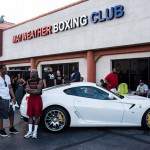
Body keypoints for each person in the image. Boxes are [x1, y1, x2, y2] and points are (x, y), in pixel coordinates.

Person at [0, 64, 19, 137]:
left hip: (9, 98)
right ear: (0, 69)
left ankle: (11, 128)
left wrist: (13, 97)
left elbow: (10, 88)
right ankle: (1, 130)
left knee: (11, 113)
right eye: (4, 69)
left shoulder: (7, 77)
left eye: (6, 69)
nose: (6, 70)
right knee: (1, 115)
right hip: (1, 98)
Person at [24, 69, 43, 139]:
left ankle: (35, 132)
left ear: (36, 73)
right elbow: (26, 90)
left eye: (32, 72)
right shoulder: (28, 80)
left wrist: (30, 90)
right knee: (30, 116)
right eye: (31, 72)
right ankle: (29, 132)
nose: (31, 73)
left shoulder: (40, 80)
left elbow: (38, 91)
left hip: (37, 99)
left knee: (37, 116)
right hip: (31, 99)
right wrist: (34, 90)